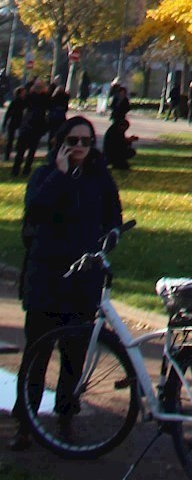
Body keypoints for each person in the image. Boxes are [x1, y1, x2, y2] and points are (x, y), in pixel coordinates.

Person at [10, 116, 122, 451]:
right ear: (60, 142)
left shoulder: (100, 179)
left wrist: (111, 236)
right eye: (72, 140)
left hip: (83, 279)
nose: (79, 147)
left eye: (85, 141)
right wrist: (59, 174)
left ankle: (65, 417)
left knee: (74, 355)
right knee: (37, 354)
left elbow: (113, 216)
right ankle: (25, 423)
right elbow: (36, 211)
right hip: (47, 277)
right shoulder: (45, 175)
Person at [12, 82, 51, 180]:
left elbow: (23, 106)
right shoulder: (45, 98)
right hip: (37, 126)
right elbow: (49, 108)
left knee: (20, 150)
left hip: (27, 125)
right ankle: (26, 169)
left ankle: (16, 169)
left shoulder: (29, 97)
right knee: (32, 150)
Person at [3, 82, 28, 161]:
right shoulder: (16, 102)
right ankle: (8, 155)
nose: (24, 94)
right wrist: (5, 122)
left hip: (18, 122)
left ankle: (11, 155)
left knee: (15, 139)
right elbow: (8, 113)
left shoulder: (23, 102)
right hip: (15, 121)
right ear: (19, 93)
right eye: (23, 93)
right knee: (11, 139)